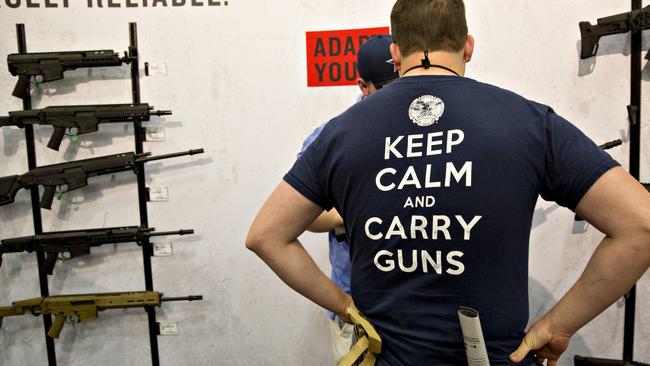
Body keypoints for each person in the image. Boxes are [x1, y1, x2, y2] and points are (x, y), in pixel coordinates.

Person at [246, 0, 650, 365]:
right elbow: (641, 225)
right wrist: (558, 325)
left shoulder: (342, 133)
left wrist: (346, 305)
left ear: (395, 53)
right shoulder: (526, 122)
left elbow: (266, 235)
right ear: (468, 46)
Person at [297, 35, 399, 364]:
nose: (395, 94)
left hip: (417, 303)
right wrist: (348, 212)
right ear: (362, 85)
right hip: (357, 307)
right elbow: (301, 218)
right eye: (384, 87)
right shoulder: (331, 137)